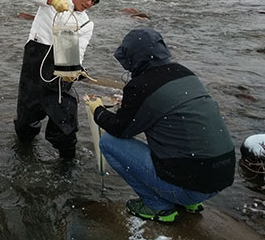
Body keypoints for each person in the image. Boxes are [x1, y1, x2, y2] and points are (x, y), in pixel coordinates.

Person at [86, 27, 235, 223]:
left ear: (133, 58)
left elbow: (119, 130)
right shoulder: (184, 73)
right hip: (220, 178)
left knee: (109, 142)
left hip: (189, 186)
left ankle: (157, 206)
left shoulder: (141, 86)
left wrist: (98, 110)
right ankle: (189, 202)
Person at [14, 0, 102, 160]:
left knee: (65, 124)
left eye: (93, 1)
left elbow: (80, 50)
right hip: (34, 67)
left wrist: (76, 69)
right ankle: (23, 153)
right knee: (25, 121)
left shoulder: (87, 23)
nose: (89, 3)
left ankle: (67, 163)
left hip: (62, 72)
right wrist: (51, 0)